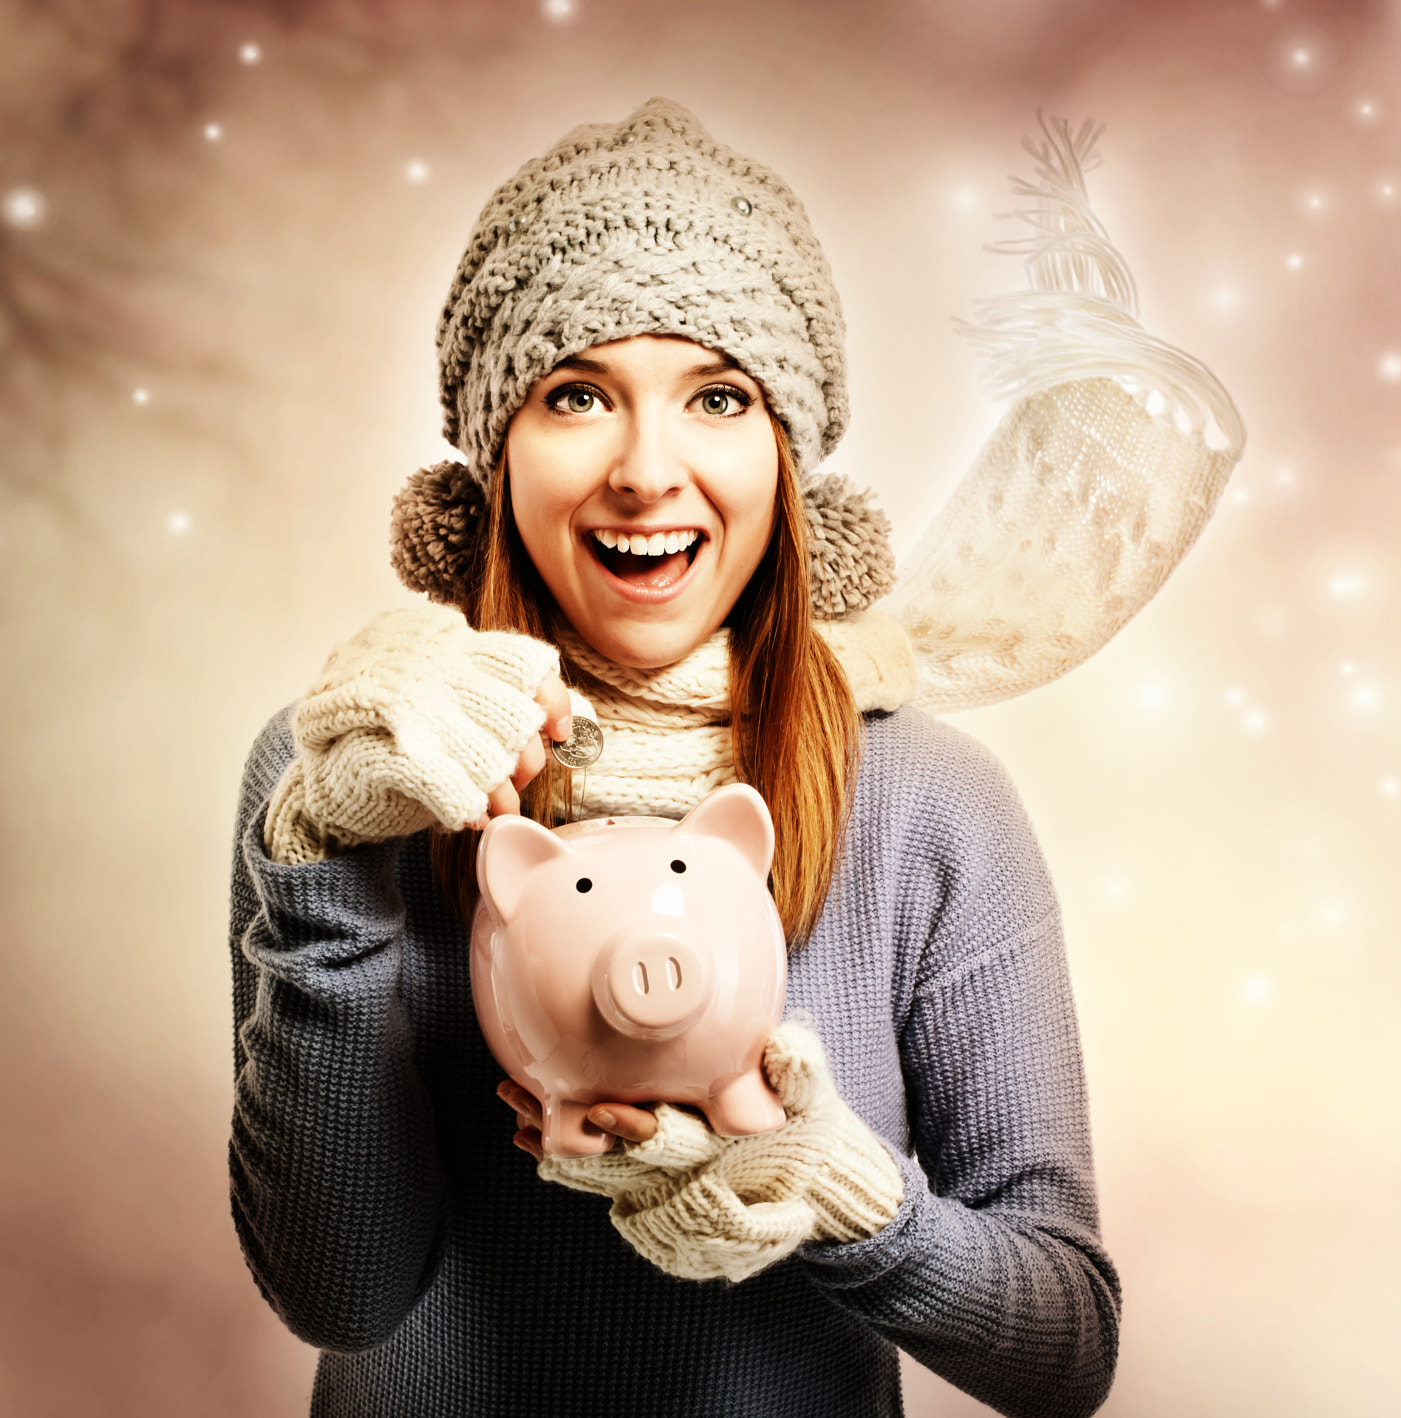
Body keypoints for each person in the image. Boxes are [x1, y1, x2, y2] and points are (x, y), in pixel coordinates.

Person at [228, 97, 1240, 1418]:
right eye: (577, 393)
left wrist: (835, 1186)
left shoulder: (928, 804)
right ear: (491, 453)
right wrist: (324, 859)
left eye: (717, 396)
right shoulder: (346, 771)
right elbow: (340, 1295)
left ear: (788, 456)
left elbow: (1061, 1349)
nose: (648, 471)